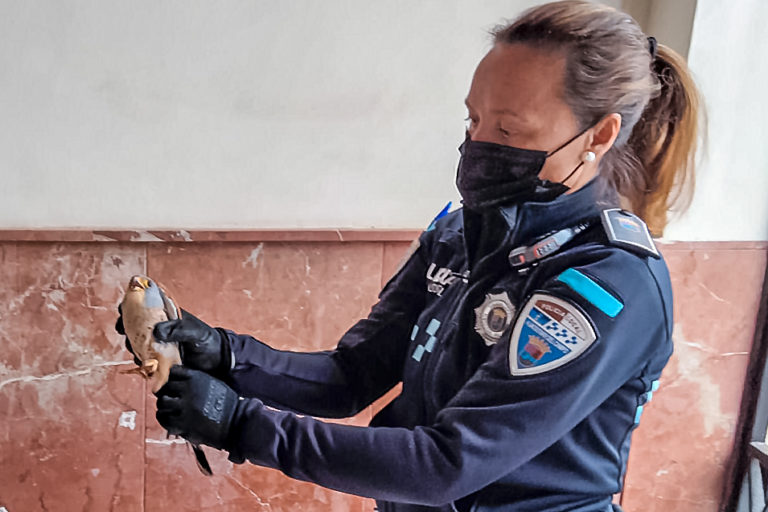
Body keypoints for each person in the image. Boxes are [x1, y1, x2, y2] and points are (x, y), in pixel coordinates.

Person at [118, 1, 702, 510]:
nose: (478, 145)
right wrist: (224, 353)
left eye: (509, 128)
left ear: (599, 136)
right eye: (474, 119)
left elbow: (446, 466)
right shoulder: (460, 234)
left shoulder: (609, 282)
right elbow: (350, 376)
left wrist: (243, 425)